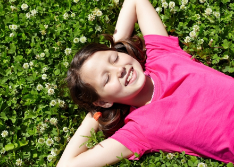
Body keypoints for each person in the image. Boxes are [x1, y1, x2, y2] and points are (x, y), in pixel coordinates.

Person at [57, 0, 234, 166]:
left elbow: (135, 2)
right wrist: (96, 112)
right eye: (107, 78)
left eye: (115, 59)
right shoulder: (139, 130)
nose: (119, 70)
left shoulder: (163, 56)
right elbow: (67, 164)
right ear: (104, 100)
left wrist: (118, 47)